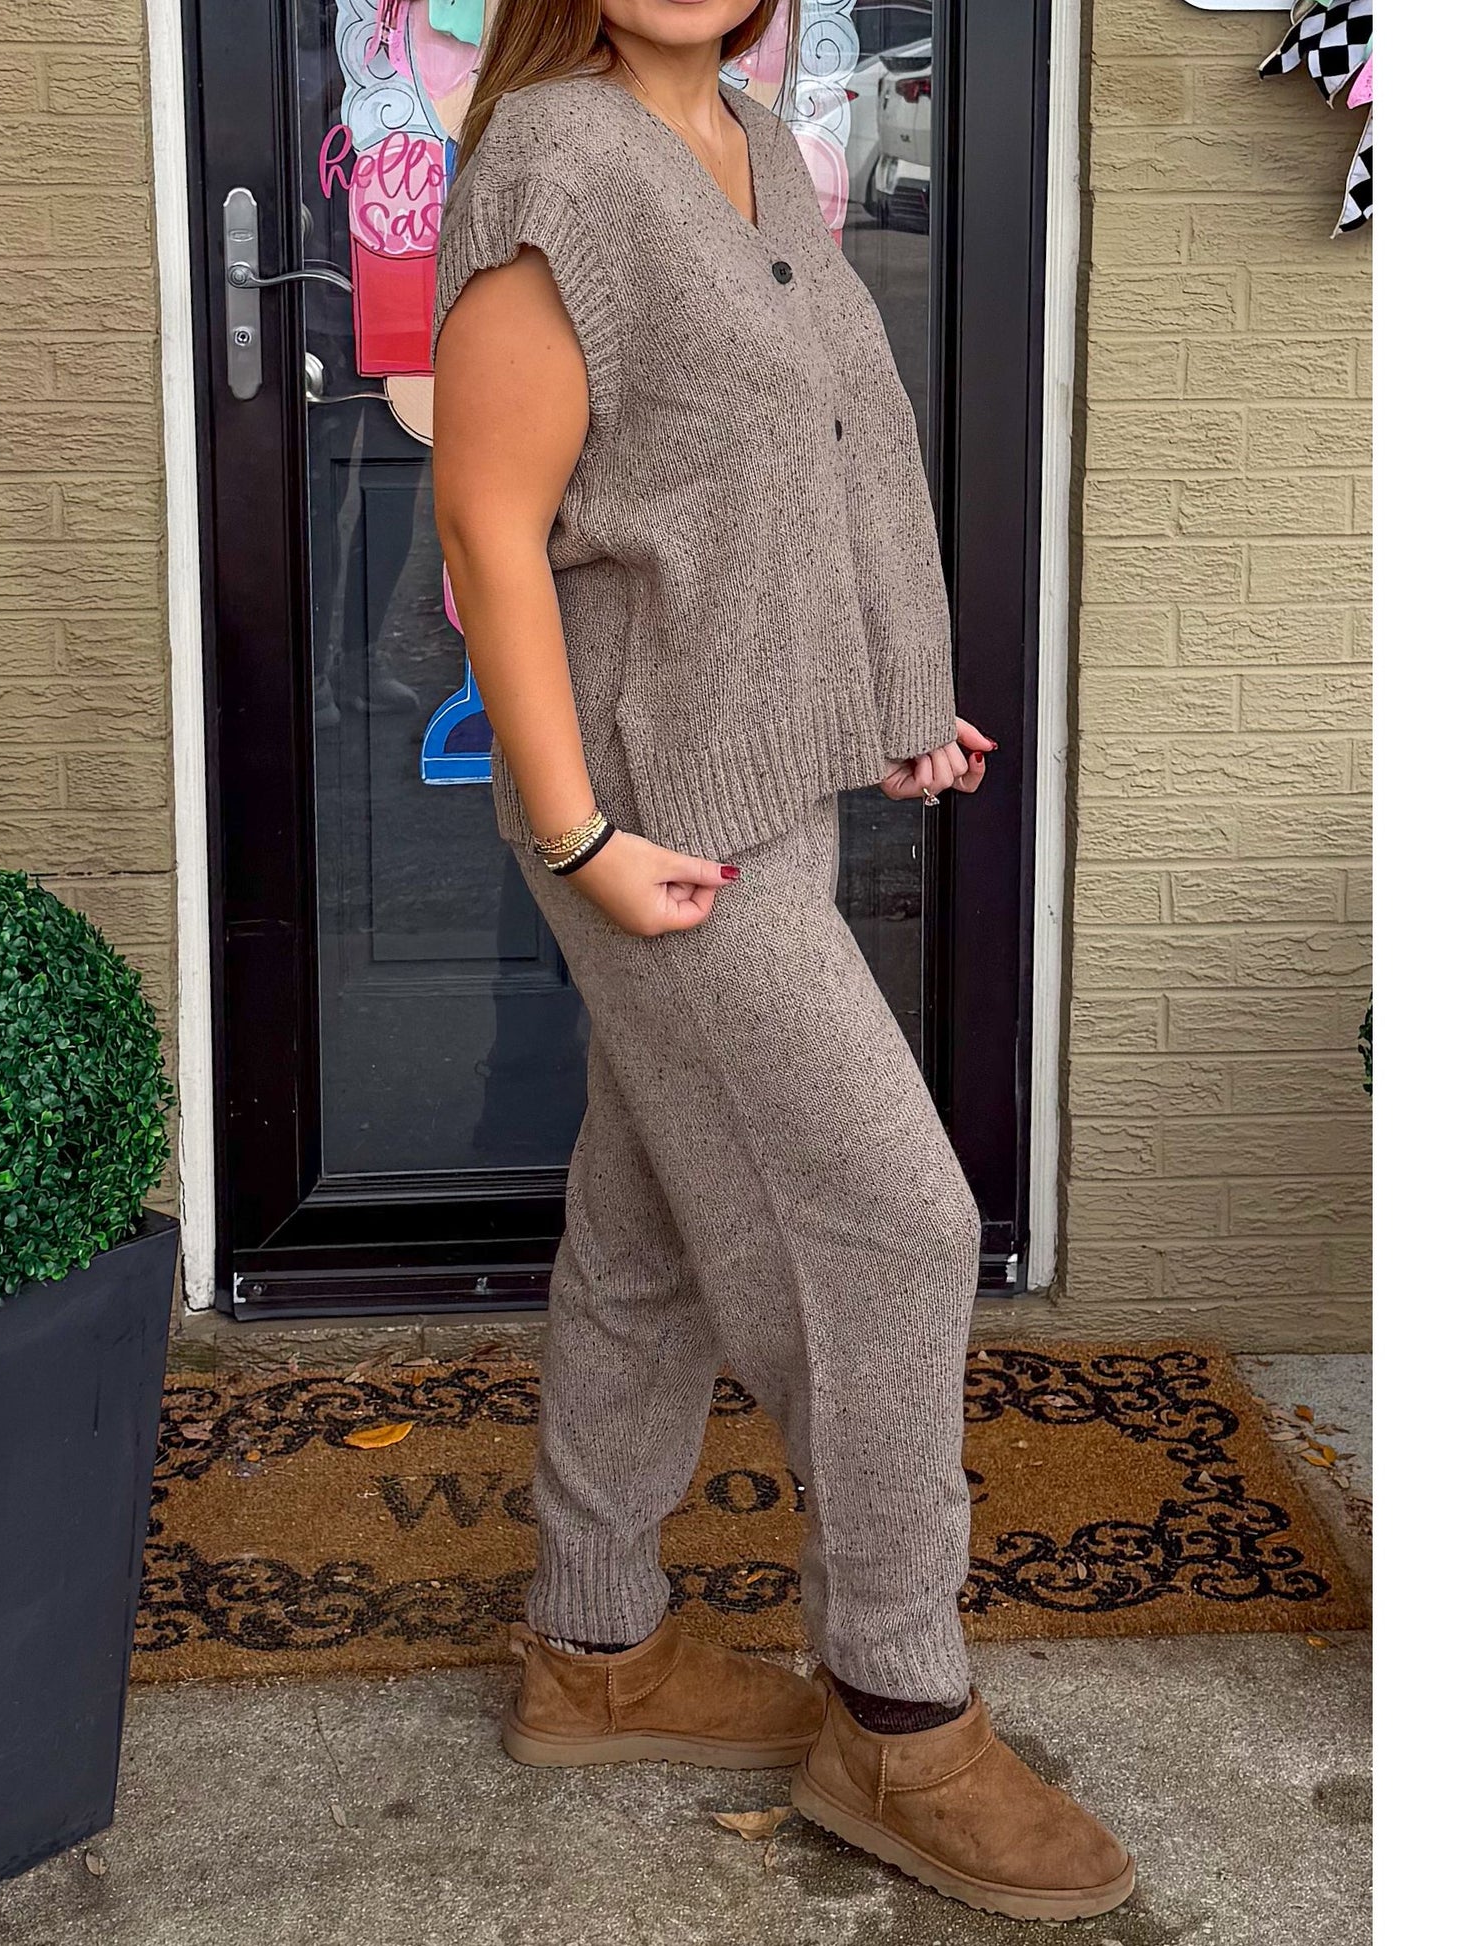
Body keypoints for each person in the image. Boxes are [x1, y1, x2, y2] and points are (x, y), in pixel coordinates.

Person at [429, 0, 1133, 1921]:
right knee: (900, 1222)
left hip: (751, 777)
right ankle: (900, 1713)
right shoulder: (558, 159)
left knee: (646, 1221)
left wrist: (894, 692)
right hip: (654, 811)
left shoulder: (745, 139)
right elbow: (488, 523)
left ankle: (593, 1650)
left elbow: (831, 445)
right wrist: (578, 836)